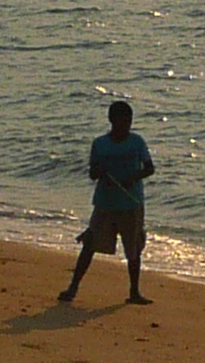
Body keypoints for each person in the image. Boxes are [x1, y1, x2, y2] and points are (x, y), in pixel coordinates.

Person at [61, 100, 156, 305]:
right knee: (90, 244)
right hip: (105, 204)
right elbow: (93, 174)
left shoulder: (137, 142)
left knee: (133, 250)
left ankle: (134, 292)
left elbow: (149, 168)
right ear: (112, 121)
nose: (126, 125)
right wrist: (100, 170)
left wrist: (132, 178)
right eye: (123, 120)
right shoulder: (100, 144)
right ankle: (73, 287)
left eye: (129, 121)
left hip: (132, 204)